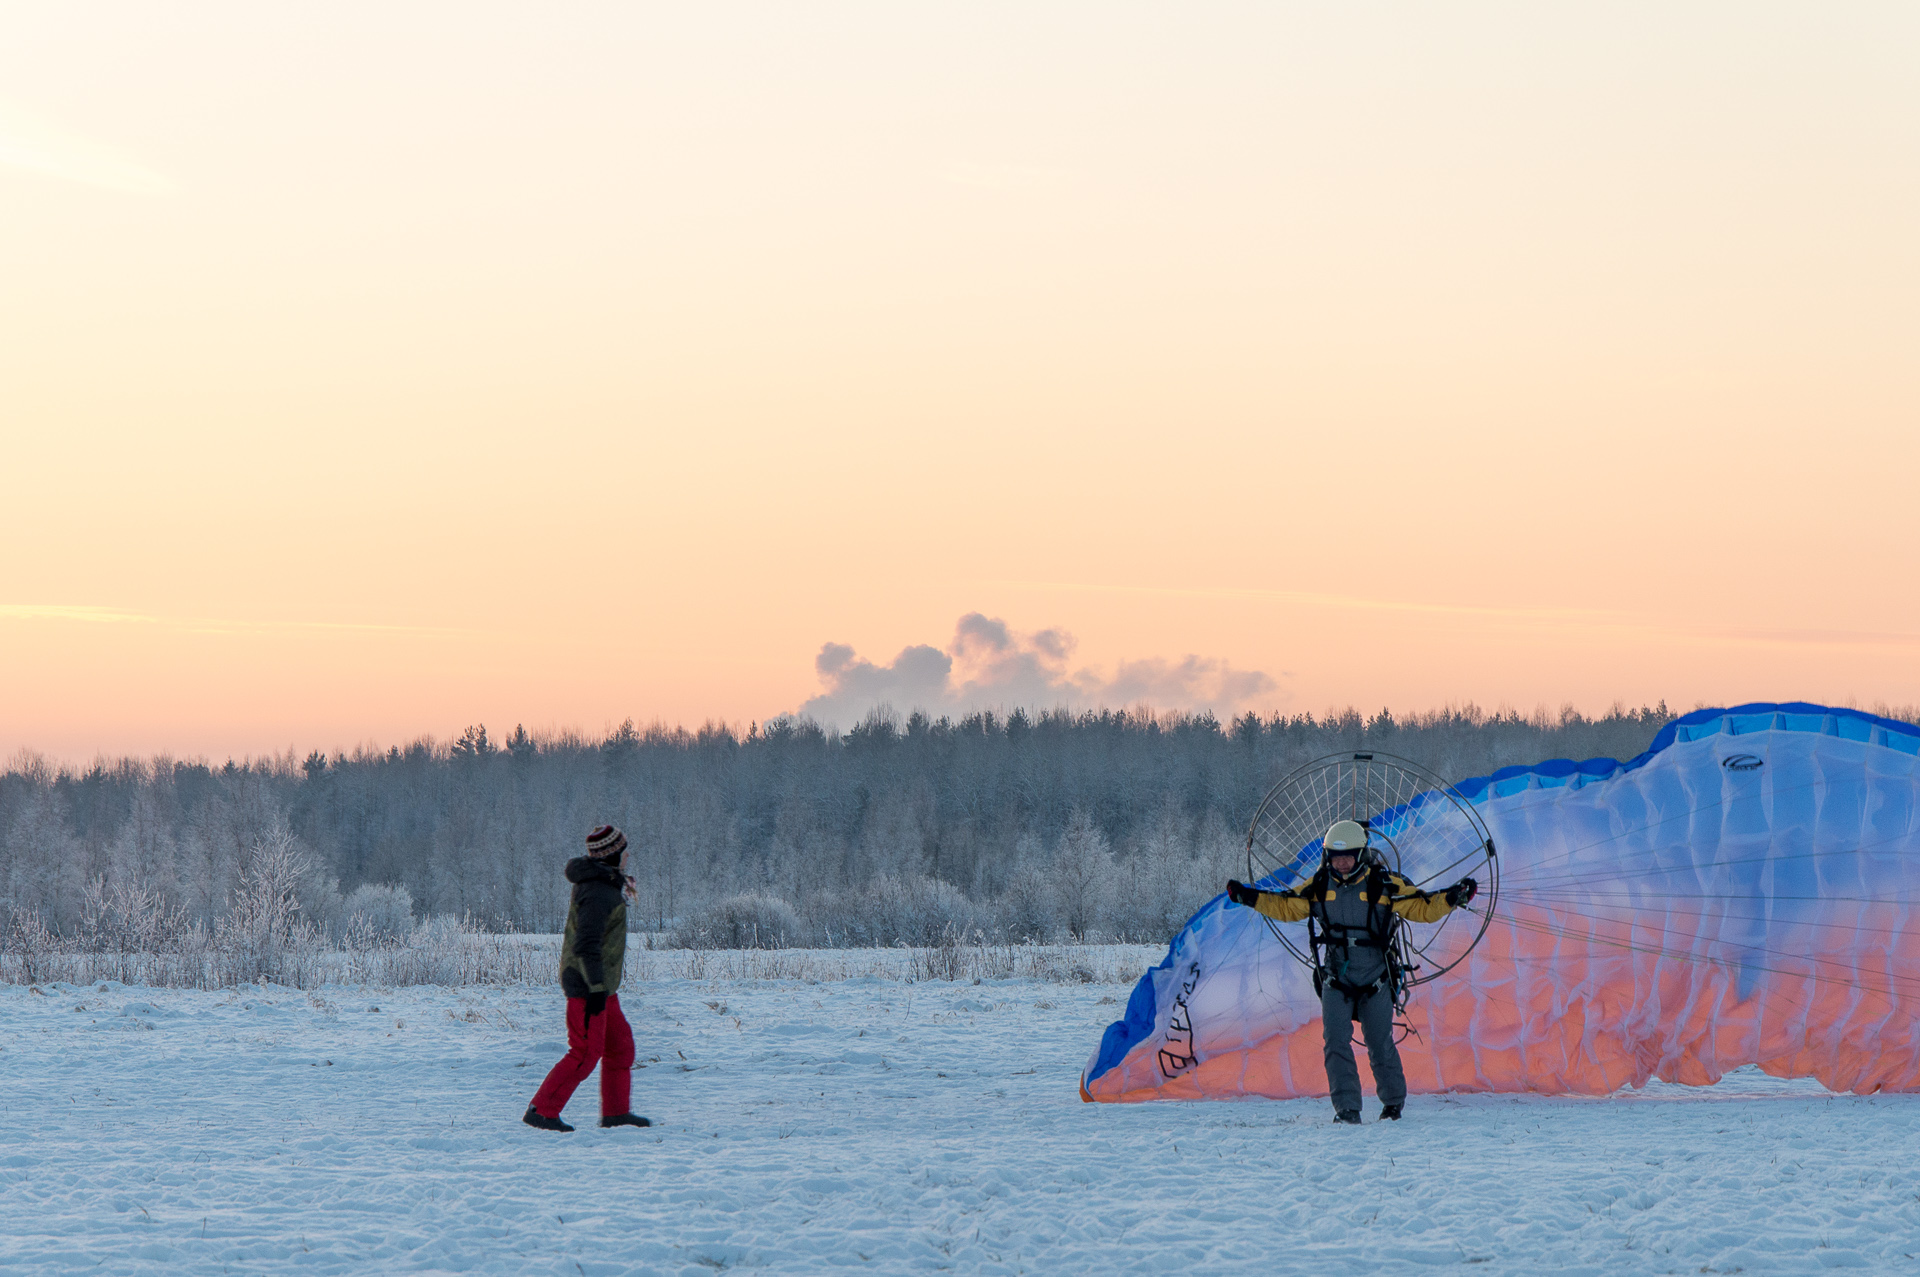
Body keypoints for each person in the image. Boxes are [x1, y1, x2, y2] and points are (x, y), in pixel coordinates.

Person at [1224, 819, 1476, 1124]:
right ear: (1327, 856)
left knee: (1378, 1041)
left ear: (1362, 855)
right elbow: (1288, 905)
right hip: (1336, 978)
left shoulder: (1383, 885)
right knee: (1335, 1041)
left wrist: (1452, 897)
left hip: (1376, 978)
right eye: (1335, 857)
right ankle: (1347, 1110)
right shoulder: (1318, 886)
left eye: (1348, 856)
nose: (1341, 863)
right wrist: (1248, 897)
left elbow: (1421, 906)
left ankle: (1393, 1103)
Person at [523, 824, 653, 1132]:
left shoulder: (606, 884)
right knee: (584, 1053)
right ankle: (542, 1110)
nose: (627, 855)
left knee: (620, 1047)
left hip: (602, 986)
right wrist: (595, 989)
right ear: (611, 856)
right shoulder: (597, 891)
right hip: (587, 986)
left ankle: (616, 1114)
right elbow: (585, 944)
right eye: (623, 851)